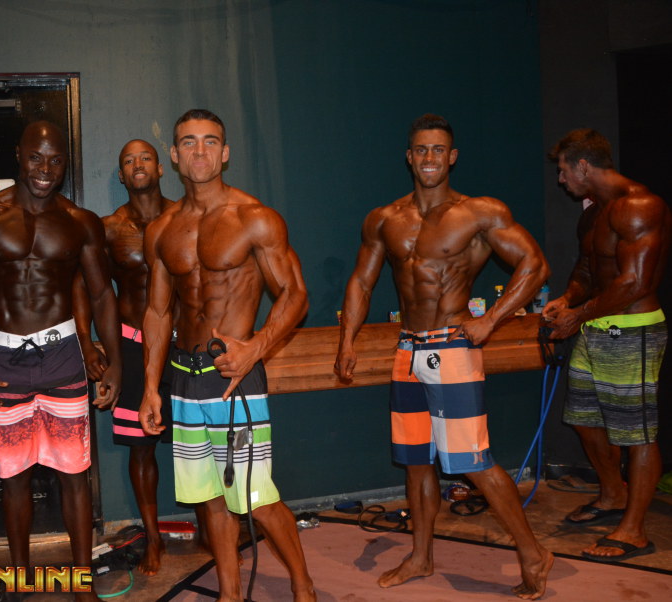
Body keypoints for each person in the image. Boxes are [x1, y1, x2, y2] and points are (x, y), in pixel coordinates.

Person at [335, 114, 553, 600]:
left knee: (473, 461)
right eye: (421, 150)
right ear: (409, 157)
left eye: (438, 150)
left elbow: (535, 264)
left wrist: (492, 319)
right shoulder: (384, 218)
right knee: (416, 462)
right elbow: (362, 282)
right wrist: (347, 340)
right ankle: (420, 556)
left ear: (451, 157)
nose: (429, 158)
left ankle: (533, 552)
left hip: (452, 348)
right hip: (407, 349)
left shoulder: (479, 212)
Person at [138, 109, 316, 601]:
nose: (200, 151)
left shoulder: (254, 218)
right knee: (210, 498)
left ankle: (304, 588)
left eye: (210, 141)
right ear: (174, 155)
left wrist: (256, 347)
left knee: (255, 497)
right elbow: (158, 312)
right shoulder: (161, 229)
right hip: (184, 381)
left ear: (226, 152)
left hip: (234, 381)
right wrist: (151, 386)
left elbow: (296, 294)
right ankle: (232, 594)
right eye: (189, 142)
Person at [0, 121, 121, 601]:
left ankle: (82, 585)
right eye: (36, 157)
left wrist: (116, 364)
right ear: (18, 154)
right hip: (7, 361)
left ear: (65, 163)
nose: (45, 169)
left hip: (63, 357)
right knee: (14, 477)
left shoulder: (80, 221)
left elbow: (102, 294)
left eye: (56, 160)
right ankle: (20, 581)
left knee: (74, 476)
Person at [544, 128, 670, 562]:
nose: (561, 180)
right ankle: (613, 493)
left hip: (632, 330)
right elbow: (587, 268)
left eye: (564, 170)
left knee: (636, 433)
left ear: (583, 165)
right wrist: (567, 299)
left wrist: (578, 315)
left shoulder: (640, 206)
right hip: (595, 325)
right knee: (583, 419)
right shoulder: (593, 213)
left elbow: (635, 282)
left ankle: (634, 531)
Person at [75, 139, 175, 575]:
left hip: (184, 345)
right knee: (141, 449)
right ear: (120, 175)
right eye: (129, 160)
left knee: (200, 444)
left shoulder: (183, 217)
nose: (138, 164)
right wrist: (88, 342)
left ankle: (212, 526)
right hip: (133, 345)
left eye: (145, 157)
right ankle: (153, 538)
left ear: (161, 167)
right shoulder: (109, 228)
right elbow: (84, 287)